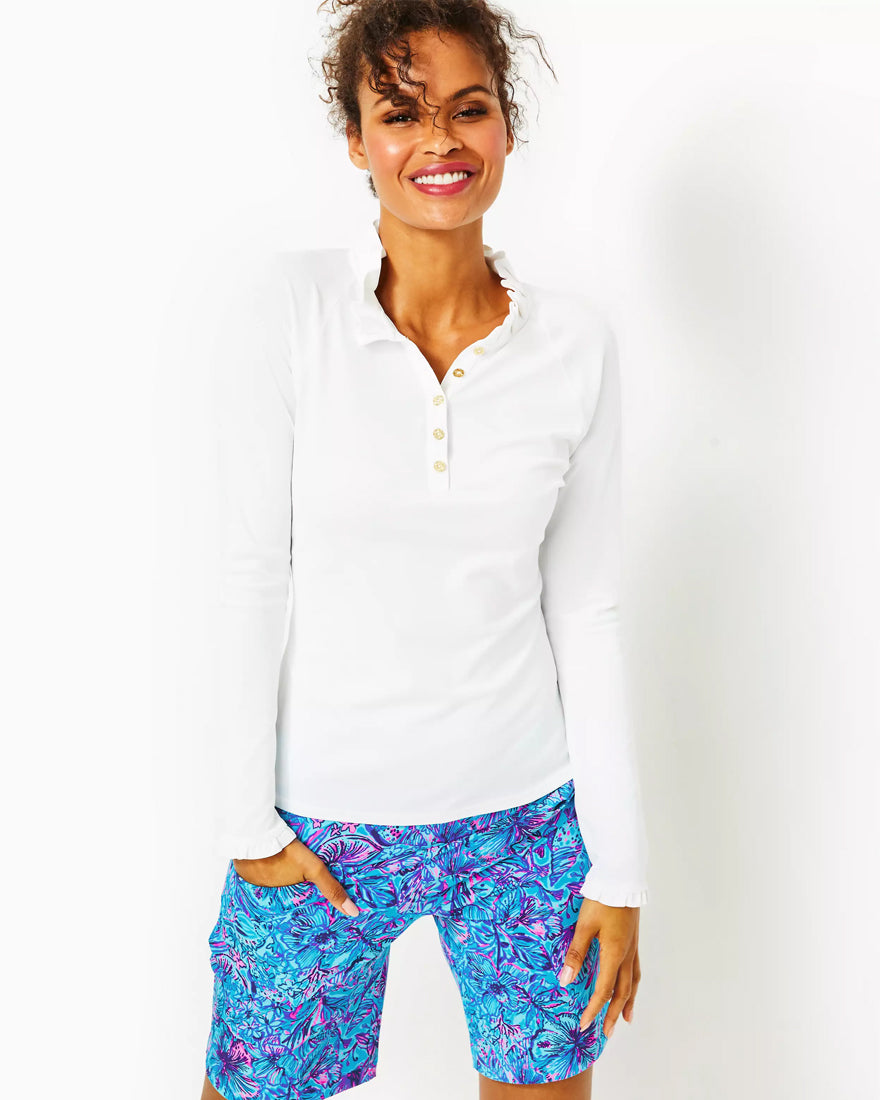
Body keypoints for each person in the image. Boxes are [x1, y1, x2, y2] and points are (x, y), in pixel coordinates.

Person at [201, 2, 649, 1098]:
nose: (439, 141)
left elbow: (585, 608)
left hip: (527, 828)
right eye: (401, 114)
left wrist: (621, 865)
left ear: (507, 128)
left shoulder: (575, 345)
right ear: (357, 140)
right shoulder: (289, 312)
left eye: (468, 108)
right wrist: (244, 824)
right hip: (318, 831)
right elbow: (251, 576)